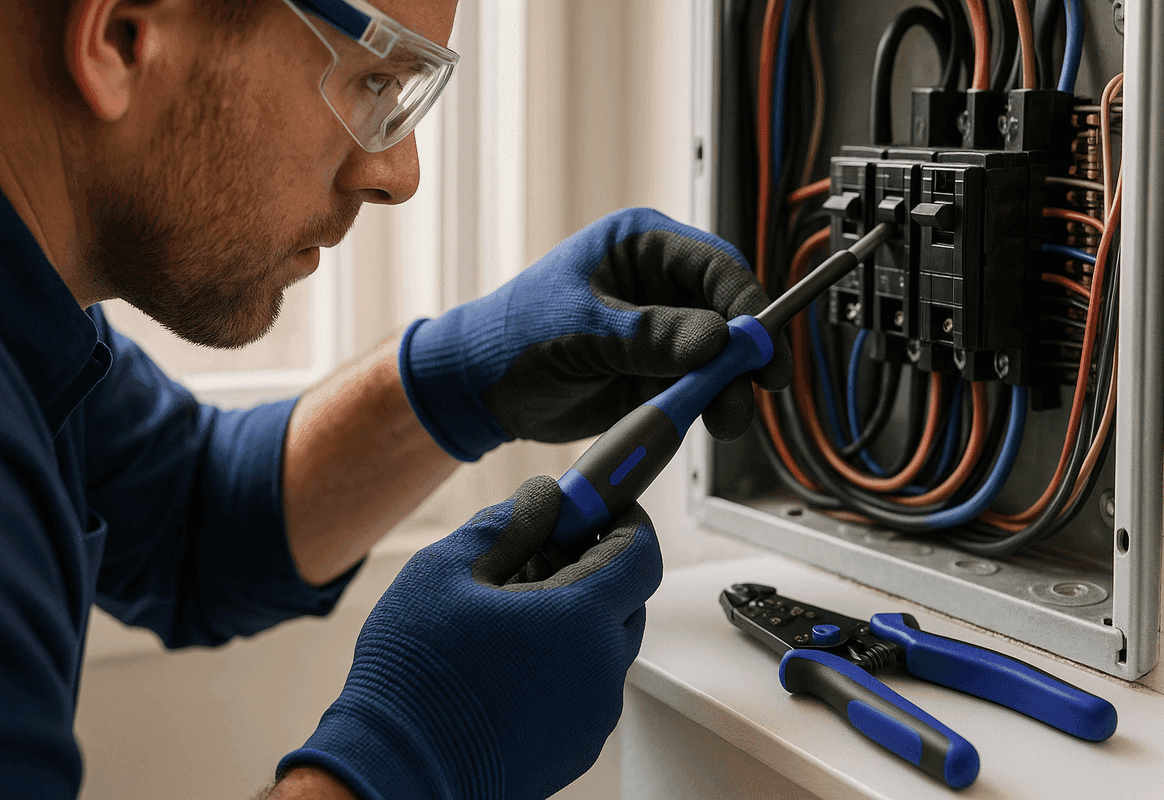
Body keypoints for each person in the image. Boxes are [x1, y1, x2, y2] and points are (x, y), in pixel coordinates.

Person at [0, 0, 790, 797]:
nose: (399, 174)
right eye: (373, 77)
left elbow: (189, 514)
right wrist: (411, 755)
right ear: (121, 38)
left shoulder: (41, 319)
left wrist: (463, 375)